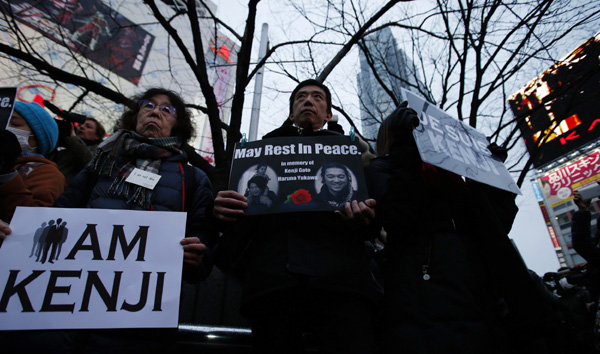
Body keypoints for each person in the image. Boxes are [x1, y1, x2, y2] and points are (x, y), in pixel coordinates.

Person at [1, 88, 217, 353]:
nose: (155, 111)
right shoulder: (99, 166)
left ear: (178, 125)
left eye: (166, 109)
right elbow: (55, 221)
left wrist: (198, 255)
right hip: (64, 315)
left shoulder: (194, 179)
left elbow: (203, 246)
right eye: (148, 105)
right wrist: (16, 235)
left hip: (137, 322)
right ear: (135, 116)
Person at [365, 103, 554, 354]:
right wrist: (405, 149)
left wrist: (492, 174)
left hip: (475, 276)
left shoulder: (454, 173)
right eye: (415, 127)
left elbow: (498, 223)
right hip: (423, 281)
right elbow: (398, 216)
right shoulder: (384, 167)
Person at [213, 79, 382, 353]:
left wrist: (366, 218)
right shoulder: (257, 154)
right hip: (273, 285)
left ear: (328, 114)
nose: (308, 101)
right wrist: (221, 210)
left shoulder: (355, 157)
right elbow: (238, 219)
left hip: (342, 285)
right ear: (291, 112)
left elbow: (374, 222)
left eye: (318, 97)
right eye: (301, 97)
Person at [0, 101, 65, 222]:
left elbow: (33, 221)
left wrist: (7, 175)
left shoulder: (47, 173)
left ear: (38, 137)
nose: (5, 127)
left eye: (15, 123)